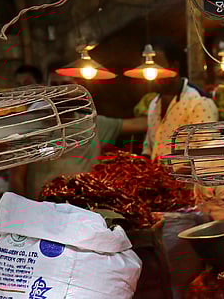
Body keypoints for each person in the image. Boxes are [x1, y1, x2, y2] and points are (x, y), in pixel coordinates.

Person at [10, 63, 150, 199]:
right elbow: (17, 176)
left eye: (66, 85)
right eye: (54, 85)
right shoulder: (31, 126)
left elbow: (139, 124)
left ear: (79, 89)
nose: (60, 91)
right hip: (42, 211)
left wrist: (157, 104)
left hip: (82, 209)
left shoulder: (92, 123)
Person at [141, 44, 218, 159]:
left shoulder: (199, 103)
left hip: (183, 177)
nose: (154, 76)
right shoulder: (154, 104)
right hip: (156, 174)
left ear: (174, 67)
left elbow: (206, 154)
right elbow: (150, 145)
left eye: (158, 68)